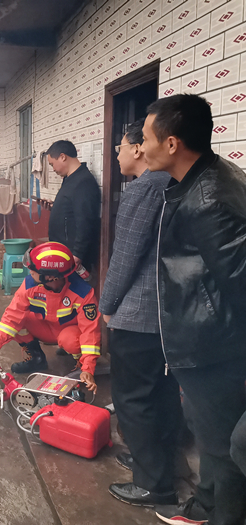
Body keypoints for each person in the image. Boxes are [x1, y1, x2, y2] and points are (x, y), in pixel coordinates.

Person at [141, 94, 246, 525]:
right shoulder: (199, 181)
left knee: (221, 450)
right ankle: (203, 507)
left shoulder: (208, 201)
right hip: (207, 344)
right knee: (209, 439)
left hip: (213, 350)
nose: (136, 147)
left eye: (145, 138)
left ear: (171, 143)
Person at [99, 120, 181, 507]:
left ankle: (153, 484)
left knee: (134, 399)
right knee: (160, 392)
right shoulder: (172, 185)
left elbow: (125, 258)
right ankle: (157, 462)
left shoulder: (145, 189)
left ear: (137, 149)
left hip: (138, 315)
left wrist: (106, 305)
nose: (116, 154)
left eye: (121, 146)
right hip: (166, 315)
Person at [0, 241, 100, 390]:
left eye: (33, 269)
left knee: (70, 341)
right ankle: (36, 359)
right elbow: (12, 315)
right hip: (45, 329)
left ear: (50, 277)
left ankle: (79, 365)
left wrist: (88, 368)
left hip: (69, 334)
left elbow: (90, 331)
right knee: (18, 322)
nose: (29, 271)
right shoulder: (30, 284)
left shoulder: (82, 292)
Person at [47, 140, 101, 276]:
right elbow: (71, 209)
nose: (53, 169)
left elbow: (85, 220)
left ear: (63, 157)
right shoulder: (69, 179)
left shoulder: (83, 182)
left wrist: (77, 254)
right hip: (62, 253)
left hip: (73, 258)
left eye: (52, 164)